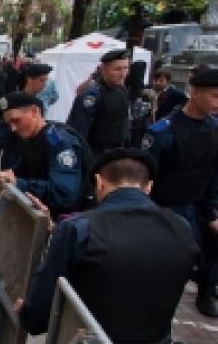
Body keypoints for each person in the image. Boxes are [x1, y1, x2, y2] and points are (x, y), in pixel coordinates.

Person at [0, 149, 200, 344]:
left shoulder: (79, 228)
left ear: (99, 183)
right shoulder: (183, 229)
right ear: (148, 187)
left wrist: (28, 311)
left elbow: (38, 314)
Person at [142, 68, 218, 317]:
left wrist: (212, 213)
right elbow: (144, 177)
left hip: (198, 205)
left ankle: (205, 290)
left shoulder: (214, 129)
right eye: (214, 96)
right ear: (194, 93)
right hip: (165, 207)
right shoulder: (163, 131)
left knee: (204, 255)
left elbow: (213, 175)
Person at [0, 92, 88, 218]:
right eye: (9, 123)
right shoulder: (33, 137)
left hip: (67, 220)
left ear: (34, 111)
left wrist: (19, 183)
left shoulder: (57, 140)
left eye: (16, 121)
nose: (13, 128)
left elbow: (63, 194)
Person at [67, 49, 131, 156]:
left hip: (118, 152)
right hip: (96, 153)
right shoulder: (92, 95)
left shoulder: (121, 90)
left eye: (126, 68)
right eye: (117, 69)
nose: (123, 74)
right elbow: (78, 131)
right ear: (103, 70)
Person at [0, 63, 52, 167]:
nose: (44, 84)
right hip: (13, 154)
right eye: (41, 80)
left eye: (45, 81)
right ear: (29, 79)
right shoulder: (13, 99)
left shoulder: (38, 103)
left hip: (29, 155)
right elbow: (1, 120)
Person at [126, 61, 156, 148]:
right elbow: (153, 114)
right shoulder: (149, 92)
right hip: (141, 130)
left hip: (130, 130)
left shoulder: (125, 90)